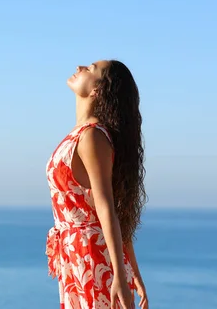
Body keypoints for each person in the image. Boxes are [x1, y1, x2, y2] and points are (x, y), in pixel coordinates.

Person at [45, 60, 149, 309]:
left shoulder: (92, 136)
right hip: (78, 257)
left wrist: (122, 277)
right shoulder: (81, 134)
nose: (80, 67)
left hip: (93, 258)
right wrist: (132, 270)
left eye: (90, 69)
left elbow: (106, 208)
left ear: (97, 90)